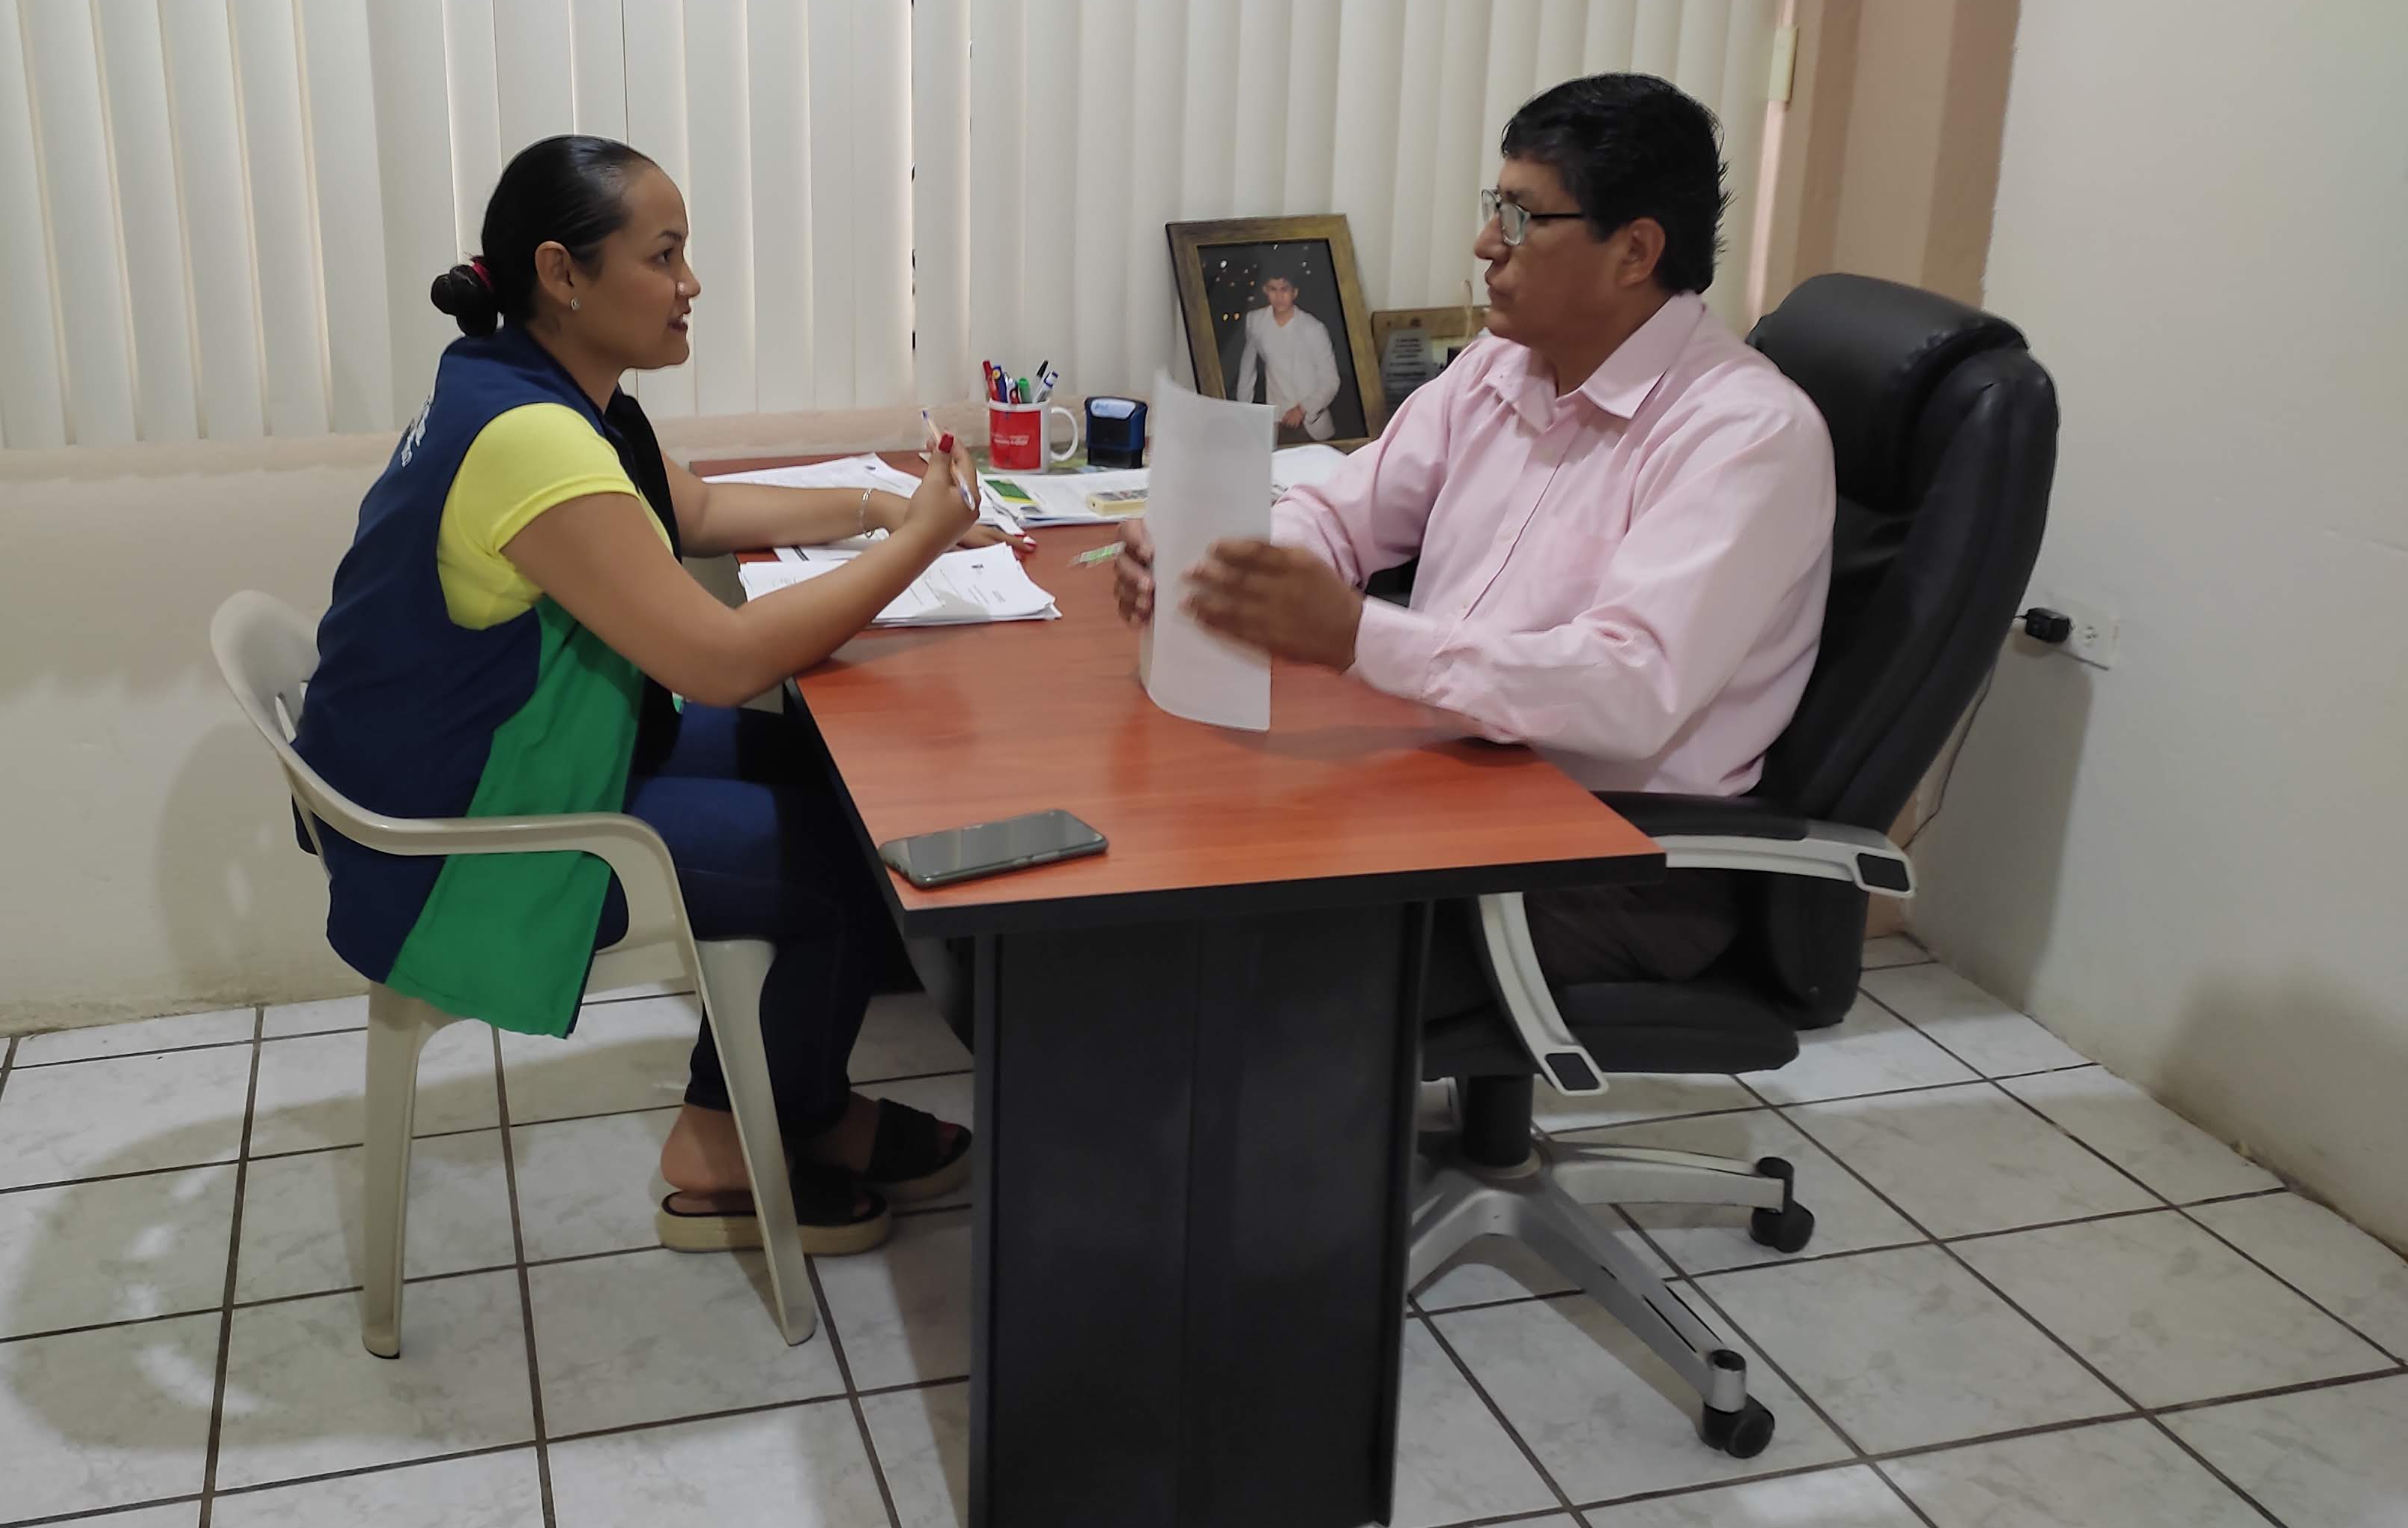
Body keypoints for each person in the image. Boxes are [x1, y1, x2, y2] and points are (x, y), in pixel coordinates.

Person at [295, 136, 1004, 1255]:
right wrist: (918, 544)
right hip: (457, 841)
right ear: (562, 274)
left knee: (839, 786)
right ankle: (727, 1146)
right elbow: (720, 662)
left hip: (511, 760)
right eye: (663, 256)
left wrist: (881, 507)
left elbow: (701, 515)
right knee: (844, 865)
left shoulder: (530, 382)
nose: (691, 284)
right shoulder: (533, 440)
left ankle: (793, 1110)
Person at [1117, 73, 1834, 1000]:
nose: (1486, 242)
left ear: (1634, 250)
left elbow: (1629, 691)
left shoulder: (1744, 433)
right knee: (1164, 859)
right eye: (1496, 206)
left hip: (1610, 855)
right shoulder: (1501, 365)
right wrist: (1225, 567)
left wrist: (1354, 635)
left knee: (1215, 952)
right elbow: (1341, 513)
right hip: (1458, 780)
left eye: (1523, 218)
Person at [1233, 267, 1345, 441]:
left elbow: (1331, 380)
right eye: (1273, 289)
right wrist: (1244, 411)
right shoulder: (1255, 321)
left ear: (1295, 292)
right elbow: (1247, 368)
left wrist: (1302, 409)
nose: (1279, 296)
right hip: (1277, 420)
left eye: (1285, 289)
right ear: (1265, 290)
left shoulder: (1313, 328)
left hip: (1310, 422)